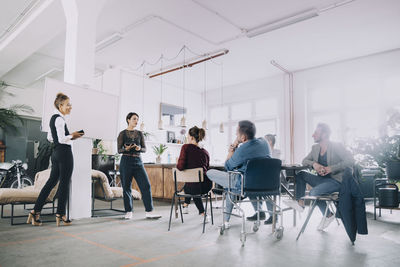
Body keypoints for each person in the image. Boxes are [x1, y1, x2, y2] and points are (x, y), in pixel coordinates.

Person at [27, 93, 84, 226]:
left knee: (51, 182)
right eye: (68, 104)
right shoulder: (59, 119)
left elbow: (50, 138)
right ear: (60, 105)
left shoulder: (53, 118)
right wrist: (72, 135)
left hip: (56, 153)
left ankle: (35, 211)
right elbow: (60, 139)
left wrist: (70, 136)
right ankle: (61, 214)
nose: (70, 107)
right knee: (64, 183)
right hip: (64, 153)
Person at [284, 123, 354, 230]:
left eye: (316, 133)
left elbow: (350, 161)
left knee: (314, 193)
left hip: (335, 181)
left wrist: (331, 168)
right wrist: (314, 164)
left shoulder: (336, 146)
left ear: (325, 134)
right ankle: (300, 203)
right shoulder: (315, 148)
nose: (313, 135)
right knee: (301, 174)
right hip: (322, 180)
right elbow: (304, 160)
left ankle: (329, 215)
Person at [207, 120, 271, 229]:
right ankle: (259, 212)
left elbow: (227, 166)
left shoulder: (242, 149)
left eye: (236, 133)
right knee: (236, 183)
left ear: (243, 137)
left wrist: (232, 149)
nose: (235, 135)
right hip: (262, 182)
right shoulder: (264, 142)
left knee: (210, 173)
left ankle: (226, 222)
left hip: (242, 183)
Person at [117, 112, 161, 220]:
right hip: (126, 161)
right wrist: (125, 149)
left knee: (146, 185)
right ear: (128, 120)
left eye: (137, 119)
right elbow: (119, 150)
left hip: (138, 161)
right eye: (134, 119)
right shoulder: (122, 133)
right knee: (126, 188)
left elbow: (144, 149)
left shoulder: (140, 134)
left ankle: (149, 211)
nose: (136, 121)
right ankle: (128, 211)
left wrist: (139, 149)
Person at [176, 126, 211, 222]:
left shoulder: (185, 147)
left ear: (191, 137)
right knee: (192, 183)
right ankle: (185, 206)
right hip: (206, 185)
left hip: (194, 187)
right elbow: (207, 168)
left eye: (188, 136)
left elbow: (180, 167)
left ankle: (202, 212)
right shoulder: (205, 152)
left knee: (191, 185)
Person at [247, 133, 281, 225]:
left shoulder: (277, 153)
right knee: (249, 185)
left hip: (273, 181)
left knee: (266, 188)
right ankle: (260, 212)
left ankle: (273, 214)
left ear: (269, 142)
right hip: (262, 179)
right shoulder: (261, 153)